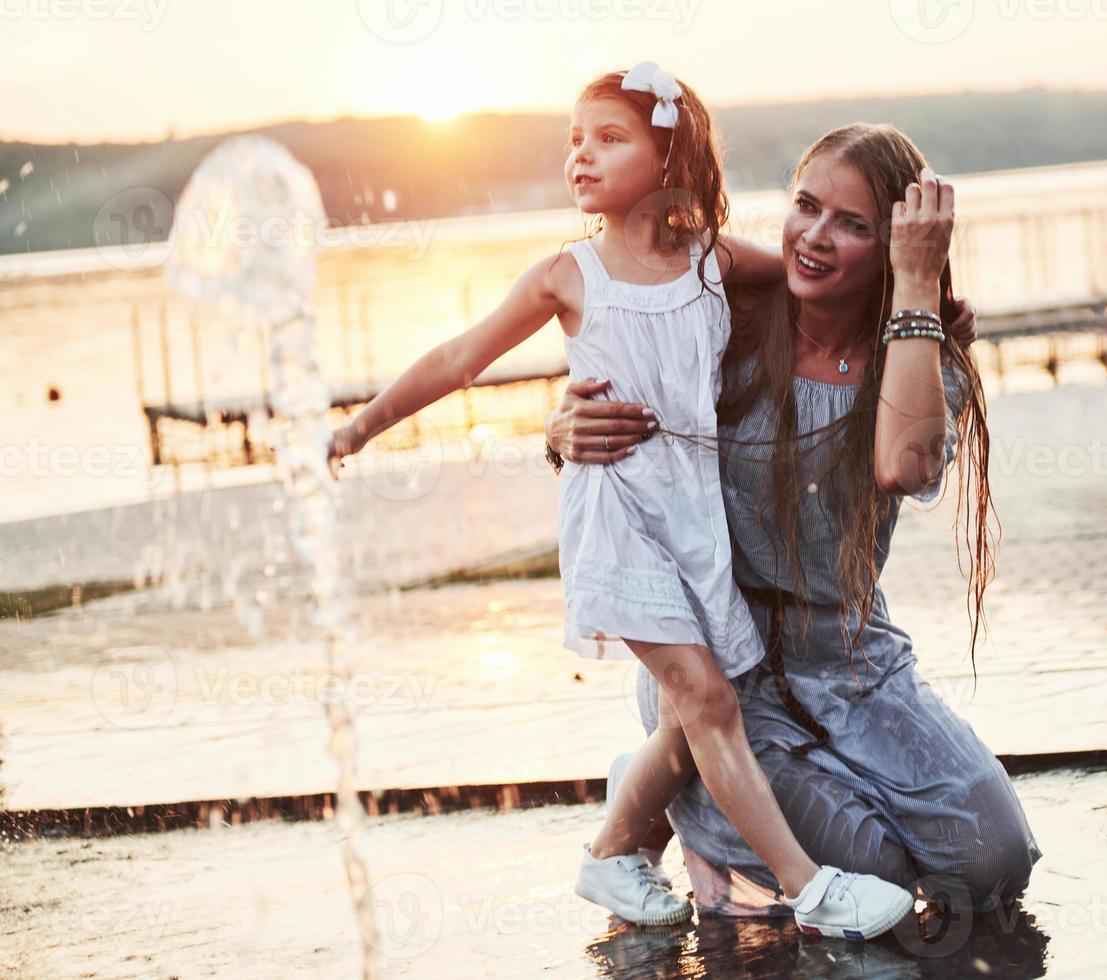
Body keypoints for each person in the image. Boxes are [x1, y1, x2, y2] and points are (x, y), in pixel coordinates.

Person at [326, 63, 916, 939]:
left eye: (608, 138)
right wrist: (361, 426)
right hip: (617, 517)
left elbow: (814, 289)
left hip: (693, 519)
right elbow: (459, 359)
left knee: (691, 718)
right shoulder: (569, 274)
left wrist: (927, 305)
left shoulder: (712, 261)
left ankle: (611, 852)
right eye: (573, 140)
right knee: (707, 701)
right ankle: (813, 890)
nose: (581, 156)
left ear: (669, 150)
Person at [546, 122, 1043, 918]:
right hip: (717, 677)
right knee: (875, 867)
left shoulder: (918, 350)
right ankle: (677, 785)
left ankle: (674, 792)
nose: (814, 238)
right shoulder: (725, 317)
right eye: (805, 206)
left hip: (851, 661)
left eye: (852, 225)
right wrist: (559, 432)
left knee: (990, 865)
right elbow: (609, 371)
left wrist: (914, 293)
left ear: (896, 245)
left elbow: (904, 467)